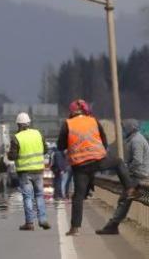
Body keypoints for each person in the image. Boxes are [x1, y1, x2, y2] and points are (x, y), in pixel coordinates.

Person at [57, 99, 138, 236]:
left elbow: (60, 146)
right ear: (85, 110)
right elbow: (104, 141)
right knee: (118, 162)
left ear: (71, 112)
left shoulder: (67, 124)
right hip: (98, 160)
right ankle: (130, 188)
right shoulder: (94, 121)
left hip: (80, 165)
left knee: (78, 196)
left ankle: (75, 228)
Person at [96, 119, 149, 235]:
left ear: (130, 128)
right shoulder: (134, 140)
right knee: (124, 200)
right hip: (137, 174)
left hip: (138, 175)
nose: (123, 131)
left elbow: (137, 161)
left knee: (124, 200)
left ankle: (112, 226)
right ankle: (113, 225)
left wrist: (125, 169)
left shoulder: (136, 141)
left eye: (124, 129)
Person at [7, 113, 50, 231]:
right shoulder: (38, 134)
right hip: (38, 170)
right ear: (28, 123)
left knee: (27, 197)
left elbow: (13, 156)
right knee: (40, 195)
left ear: (18, 125)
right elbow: (45, 149)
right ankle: (43, 220)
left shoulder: (17, 137)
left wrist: (9, 154)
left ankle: (30, 223)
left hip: (24, 172)